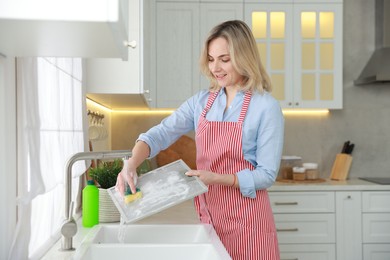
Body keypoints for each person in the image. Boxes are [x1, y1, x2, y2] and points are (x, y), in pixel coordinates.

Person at [116, 20, 284, 260]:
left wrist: (216, 178)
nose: (215, 67)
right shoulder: (202, 102)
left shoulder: (265, 106)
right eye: (211, 58)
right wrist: (132, 162)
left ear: (244, 57)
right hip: (208, 216)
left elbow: (266, 175)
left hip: (249, 223)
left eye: (224, 59)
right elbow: (160, 134)